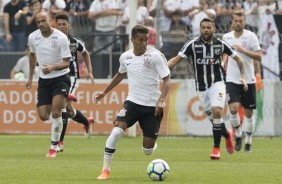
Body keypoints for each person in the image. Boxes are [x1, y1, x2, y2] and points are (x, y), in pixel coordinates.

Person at [94, 24, 170, 180]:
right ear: (133, 40)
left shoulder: (156, 56)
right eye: (140, 40)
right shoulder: (125, 57)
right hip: (132, 103)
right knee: (116, 131)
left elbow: (167, 80)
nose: (144, 43)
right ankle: (105, 170)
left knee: (147, 150)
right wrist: (104, 92)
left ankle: (151, 143)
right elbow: (120, 75)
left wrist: (161, 99)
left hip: (151, 107)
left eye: (146, 40)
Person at [168, 18, 248, 160]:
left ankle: (216, 149)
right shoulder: (192, 45)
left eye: (208, 27)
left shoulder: (221, 45)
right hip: (202, 88)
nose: (206, 30)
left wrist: (242, 76)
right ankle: (227, 135)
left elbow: (239, 60)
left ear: (214, 29)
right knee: (215, 121)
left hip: (218, 83)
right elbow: (175, 60)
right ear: (200, 29)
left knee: (217, 111)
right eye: (203, 27)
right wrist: (160, 71)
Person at [25, 11, 71, 158]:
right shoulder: (33, 37)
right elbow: (32, 56)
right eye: (38, 22)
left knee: (56, 113)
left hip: (60, 77)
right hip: (44, 80)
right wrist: (31, 77)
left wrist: (52, 67)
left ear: (50, 20)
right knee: (44, 116)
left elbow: (67, 62)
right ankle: (62, 99)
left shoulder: (61, 38)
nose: (41, 24)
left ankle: (53, 147)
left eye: (43, 21)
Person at [222, 12, 262, 153]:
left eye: (241, 20)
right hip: (232, 79)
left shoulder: (251, 36)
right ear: (232, 22)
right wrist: (221, 65)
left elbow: (259, 56)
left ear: (244, 22)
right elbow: (224, 55)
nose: (238, 23)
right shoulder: (226, 37)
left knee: (249, 113)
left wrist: (244, 50)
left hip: (248, 79)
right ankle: (238, 134)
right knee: (232, 108)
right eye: (236, 20)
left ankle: (249, 141)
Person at [55, 12, 95, 152]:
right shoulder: (51, 41)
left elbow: (85, 53)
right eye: (59, 24)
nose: (61, 27)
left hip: (71, 77)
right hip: (57, 77)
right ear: (55, 25)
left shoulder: (74, 42)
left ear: (68, 26)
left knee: (62, 106)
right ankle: (86, 121)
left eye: (64, 24)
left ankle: (60, 142)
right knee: (70, 111)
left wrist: (89, 71)